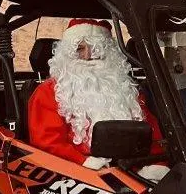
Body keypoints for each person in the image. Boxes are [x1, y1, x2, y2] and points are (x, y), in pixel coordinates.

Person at [28, 18, 162, 171]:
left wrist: (157, 166)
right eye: (80, 49)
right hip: (76, 173)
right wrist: (83, 161)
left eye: (96, 49)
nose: (88, 56)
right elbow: (46, 143)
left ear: (109, 53)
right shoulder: (49, 92)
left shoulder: (127, 90)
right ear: (67, 54)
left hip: (132, 171)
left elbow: (152, 137)